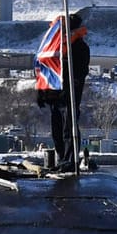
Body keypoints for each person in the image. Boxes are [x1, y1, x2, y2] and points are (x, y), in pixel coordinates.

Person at [35, 11, 90, 173]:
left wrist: (71, 86)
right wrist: (42, 92)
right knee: (57, 130)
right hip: (55, 95)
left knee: (68, 128)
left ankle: (70, 159)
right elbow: (46, 71)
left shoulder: (80, 47)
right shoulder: (55, 49)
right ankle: (62, 157)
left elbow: (81, 72)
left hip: (69, 96)